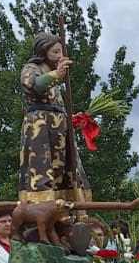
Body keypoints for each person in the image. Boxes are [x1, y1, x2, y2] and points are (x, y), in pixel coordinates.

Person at [19, 32, 92, 205]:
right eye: (55, 52)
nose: (60, 56)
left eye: (61, 52)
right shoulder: (31, 69)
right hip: (40, 129)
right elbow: (33, 86)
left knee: (64, 169)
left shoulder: (55, 76)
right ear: (43, 52)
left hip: (59, 132)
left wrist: (71, 119)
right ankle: (43, 203)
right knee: (43, 167)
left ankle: (66, 203)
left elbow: (55, 105)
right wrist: (56, 75)